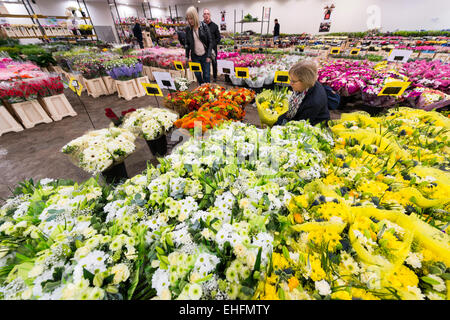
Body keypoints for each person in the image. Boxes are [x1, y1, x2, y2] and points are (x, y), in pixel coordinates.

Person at [275, 60, 330, 127]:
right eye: (290, 80)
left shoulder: (313, 102)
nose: (290, 83)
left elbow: (300, 125)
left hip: (313, 126)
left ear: (305, 81)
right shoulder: (306, 87)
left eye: (293, 81)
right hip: (299, 118)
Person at [185, 6, 213, 85]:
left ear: (195, 17)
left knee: (206, 75)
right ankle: (202, 87)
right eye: (188, 19)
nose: (190, 21)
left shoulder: (204, 26)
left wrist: (208, 55)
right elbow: (187, 43)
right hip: (195, 56)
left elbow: (210, 42)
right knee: (197, 74)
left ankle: (208, 91)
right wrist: (187, 56)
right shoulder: (188, 29)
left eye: (191, 18)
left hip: (205, 55)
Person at [203, 8, 221, 82]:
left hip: (213, 48)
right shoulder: (201, 26)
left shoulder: (215, 26)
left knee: (214, 62)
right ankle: (206, 77)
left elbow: (218, 38)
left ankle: (214, 77)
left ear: (210, 15)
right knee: (205, 62)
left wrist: (213, 44)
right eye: (205, 14)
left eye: (208, 14)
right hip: (204, 49)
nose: (206, 15)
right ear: (203, 16)